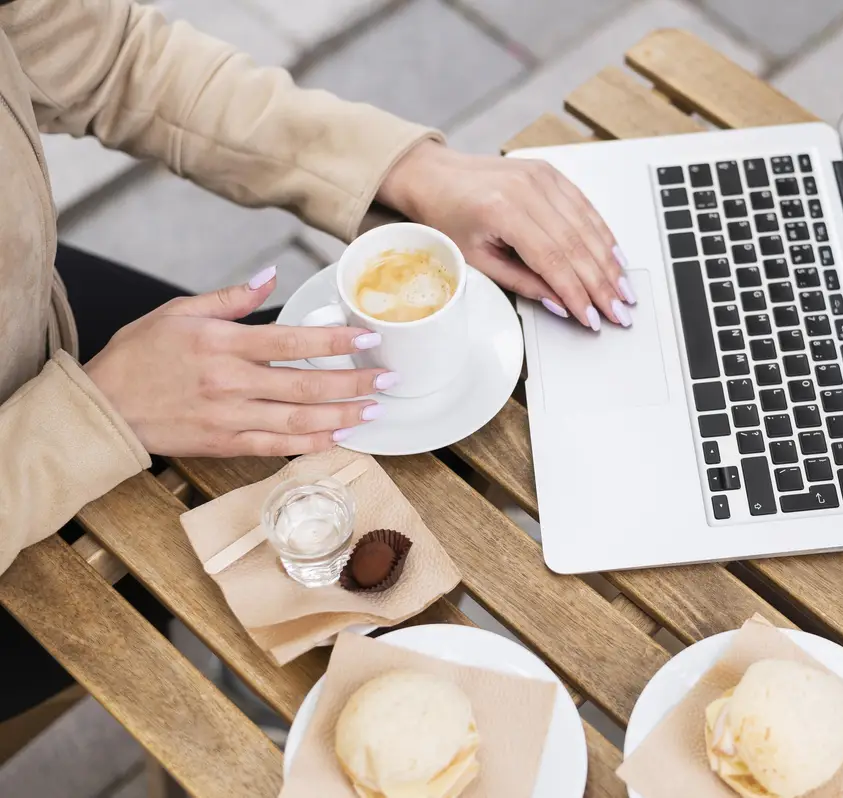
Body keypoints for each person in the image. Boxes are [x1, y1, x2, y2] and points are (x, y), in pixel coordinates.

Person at [0, 0, 634, 723]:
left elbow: (104, 60)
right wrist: (93, 417)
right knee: (222, 593)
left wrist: (401, 169)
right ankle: (264, 701)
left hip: (47, 323)